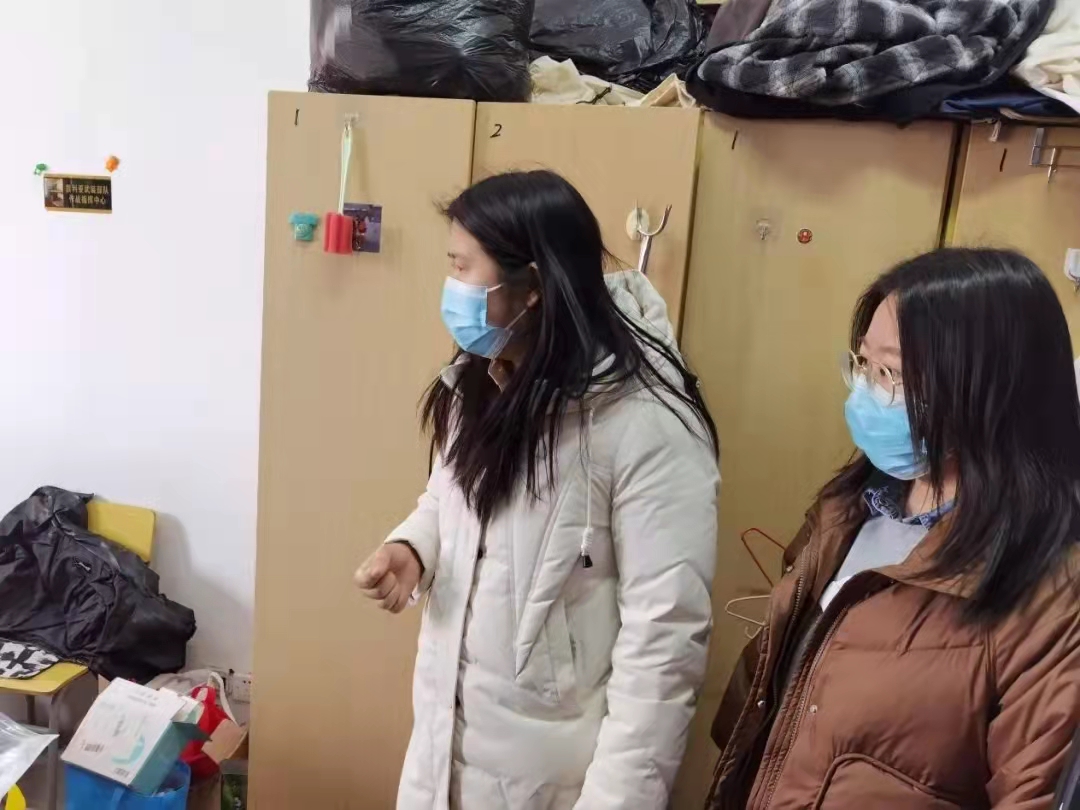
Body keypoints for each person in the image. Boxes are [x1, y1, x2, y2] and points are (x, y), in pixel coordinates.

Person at [354, 170, 720, 810]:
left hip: (552, 786)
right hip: (444, 756)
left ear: (533, 288)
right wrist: (414, 547)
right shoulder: (483, 374)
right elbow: (451, 496)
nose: (451, 287)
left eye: (462, 268)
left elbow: (663, 646)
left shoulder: (648, 423)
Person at [707, 248, 1080, 810]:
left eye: (891, 374)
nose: (865, 393)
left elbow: (1031, 791)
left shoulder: (1050, 595)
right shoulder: (848, 510)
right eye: (862, 365)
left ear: (991, 389)